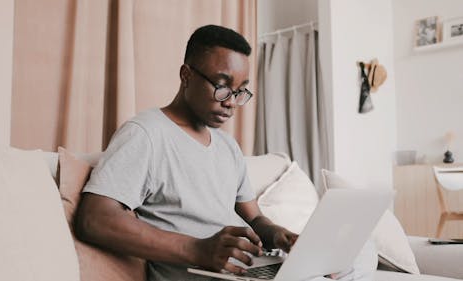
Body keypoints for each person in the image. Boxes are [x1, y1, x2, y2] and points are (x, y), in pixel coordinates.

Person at [75, 25, 376, 281]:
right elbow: (94, 219)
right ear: (186, 75)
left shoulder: (227, 146)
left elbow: (255, 217)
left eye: (241, 90)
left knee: (359, 256)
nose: (231, 101)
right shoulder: (146, 133)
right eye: (222, 86)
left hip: (244, 267)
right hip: (198, 272)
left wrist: (279, 235)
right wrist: (198, 249)